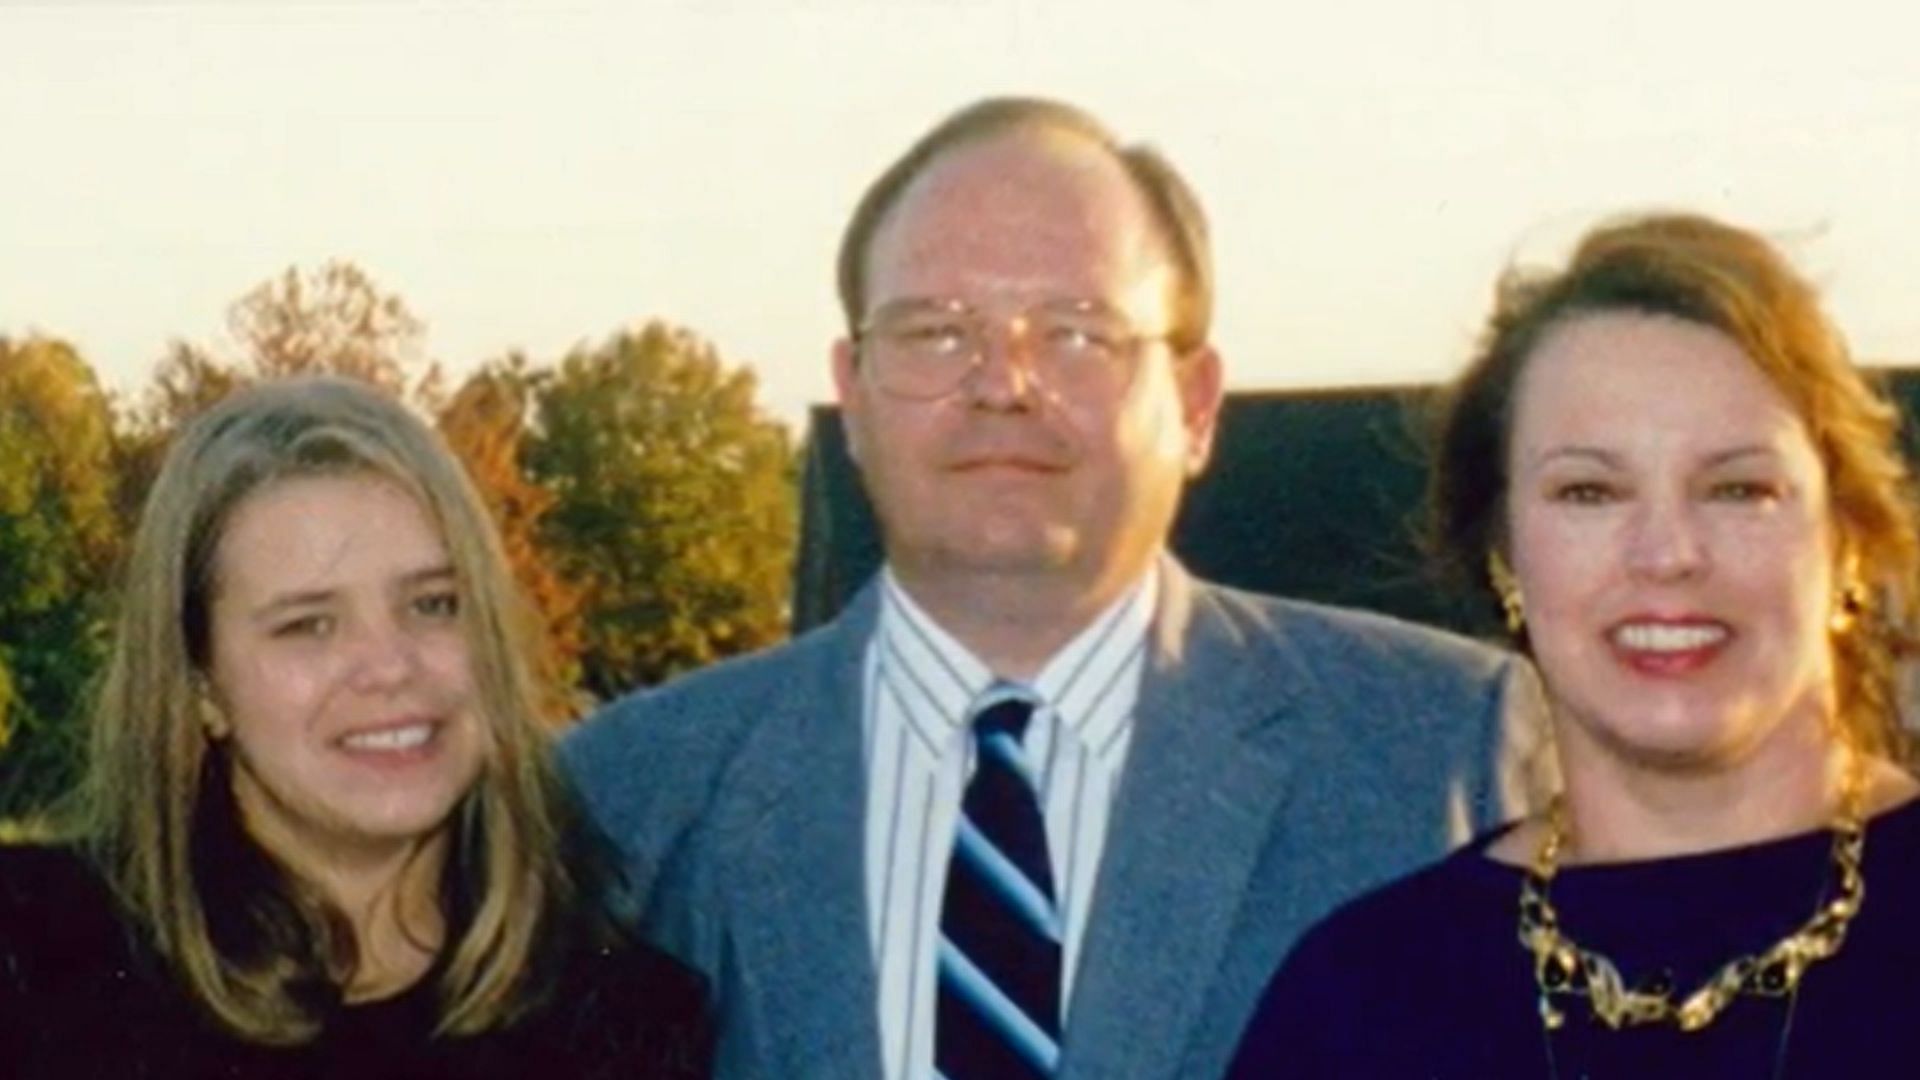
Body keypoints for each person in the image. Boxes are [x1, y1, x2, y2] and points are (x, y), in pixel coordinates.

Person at [561, 96, 1538, 1080]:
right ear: (852, 396)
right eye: (935, 332)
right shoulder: (628, 798)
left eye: (1076, 334)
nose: (1002, 384)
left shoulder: (1443, 755)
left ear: (1196, 407)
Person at [1228, 212, 1920, 1078]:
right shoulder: (1364, 998)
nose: (1668, 554)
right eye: (1590, 492)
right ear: (1504, 556)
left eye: (1739, 488)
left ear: (1848, 540)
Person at [0, 377, 711, 1079]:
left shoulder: (622, 1028)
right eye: (308, 625)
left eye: (433, 604)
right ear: (200, 685)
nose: (389, 667)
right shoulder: (34, 970)